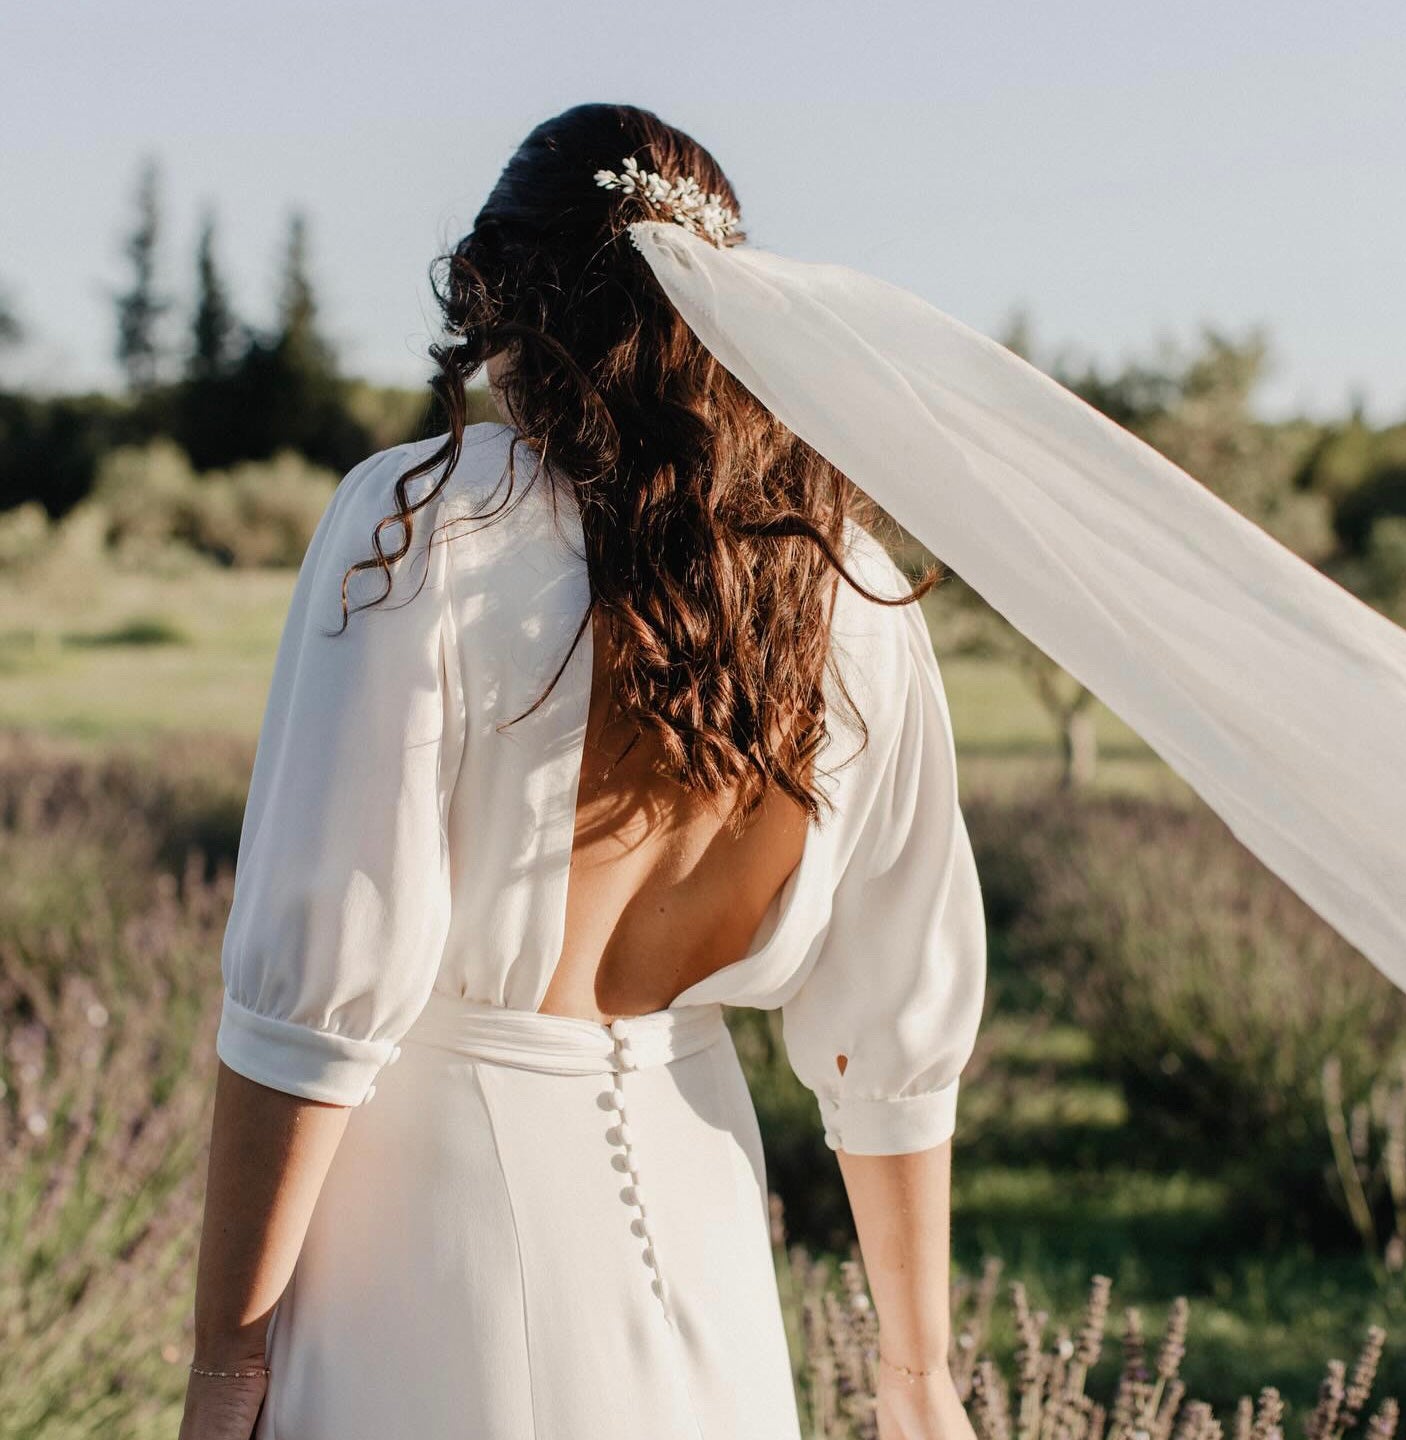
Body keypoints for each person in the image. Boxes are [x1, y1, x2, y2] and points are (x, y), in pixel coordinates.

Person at [180, 103, 988, 1440]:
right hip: (707, 1223)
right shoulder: (844, 590)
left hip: (426, 1250)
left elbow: (308, 1005)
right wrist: (919, 1375)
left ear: (506, 303)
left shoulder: (425, 522)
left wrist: (225, 1372)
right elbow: (896, 1038)